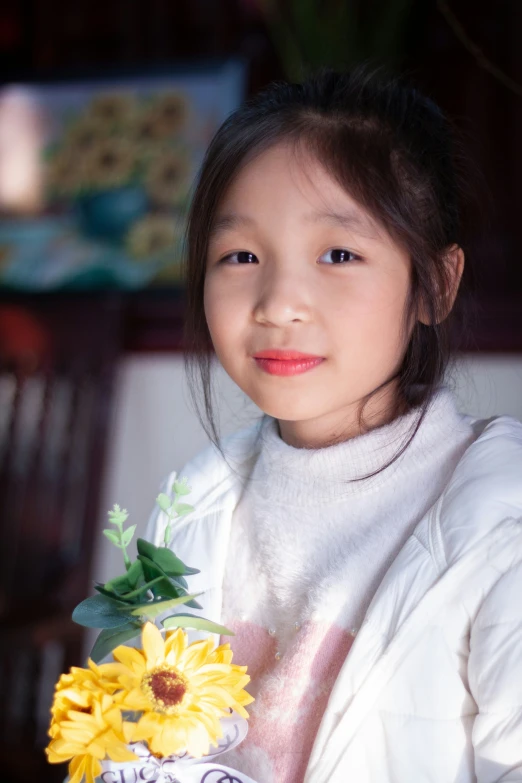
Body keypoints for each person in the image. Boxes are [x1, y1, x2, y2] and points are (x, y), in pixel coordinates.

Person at [145, 65, 522, 782]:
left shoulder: (501, 525)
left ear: (434, 285)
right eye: (241, 256)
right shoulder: (191, 510)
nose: (279, 302)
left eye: (339, 254)